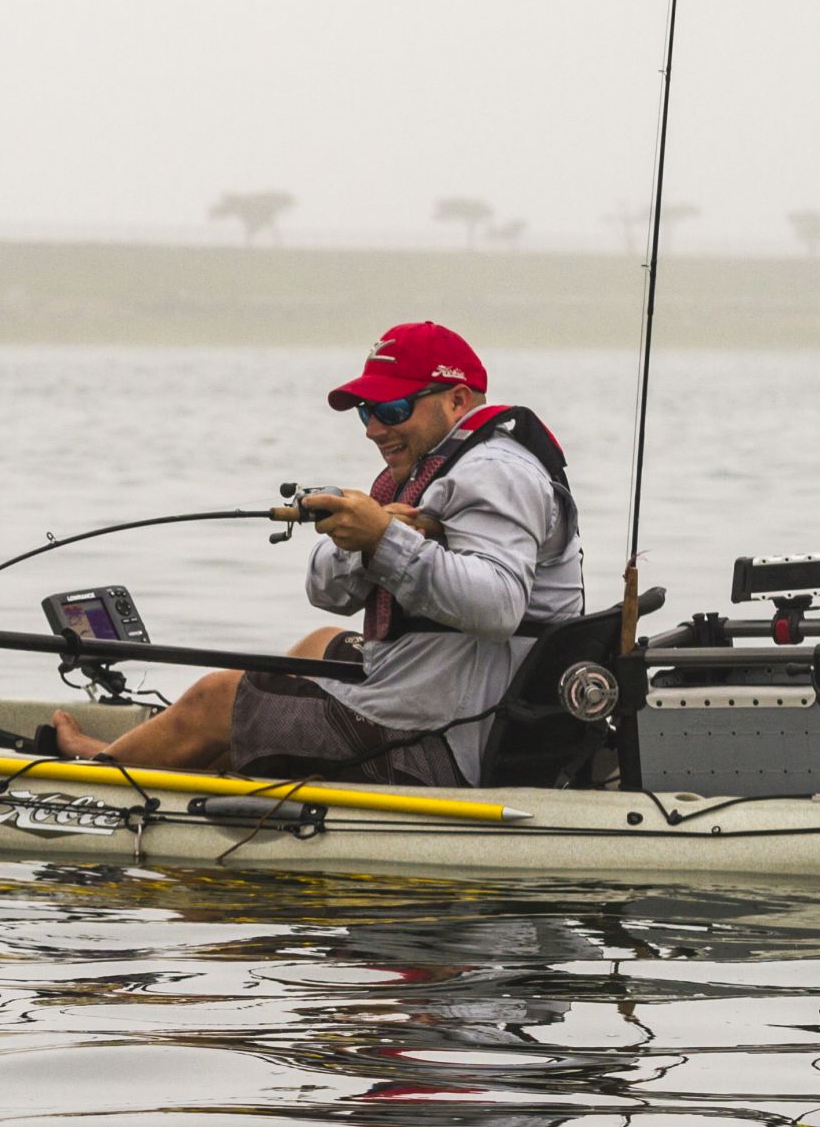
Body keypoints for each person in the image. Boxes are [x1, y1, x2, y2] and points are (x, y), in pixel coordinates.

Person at [49, 322, 584, 786]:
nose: (375, 428)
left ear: (458, 400)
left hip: (451, 743)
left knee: (218, 697)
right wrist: (367, 537)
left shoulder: (496, 472)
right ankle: (190, 761)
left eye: (393, 408)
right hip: (443, 695)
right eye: (366, 412)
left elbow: (497, 608)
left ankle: (99, 778)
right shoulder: (431, 465)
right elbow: (325, 595)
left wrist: (384, 539)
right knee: (319, 645)